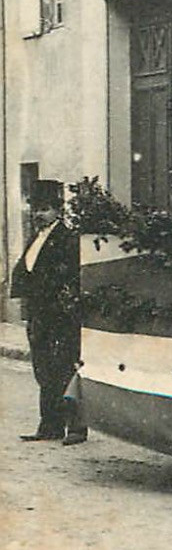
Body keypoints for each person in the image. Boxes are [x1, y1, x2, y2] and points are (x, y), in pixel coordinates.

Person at [10, 181, 86, 446]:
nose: (37, 214)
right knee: (43, 370)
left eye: (44, 209)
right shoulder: (37, 237)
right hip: (39, 313)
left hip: (60, 314)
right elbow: (26, 271)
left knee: (63, 368)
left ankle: (76, 427)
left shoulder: (66, 238)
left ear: (57, 210)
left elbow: (69, 277)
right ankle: (50, 426)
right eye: (35, 209)